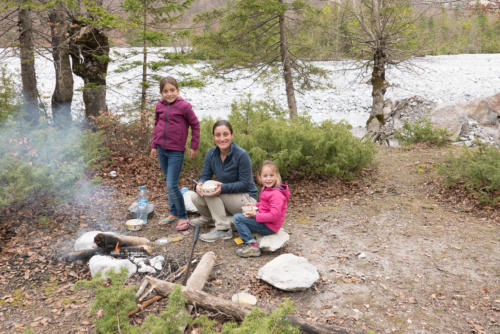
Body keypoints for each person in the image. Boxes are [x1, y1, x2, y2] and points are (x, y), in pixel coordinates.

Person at [191, 120, 258, 242]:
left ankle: (223, 229)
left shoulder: (241, 155)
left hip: (247, 199)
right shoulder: (211, 154)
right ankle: (209, 218)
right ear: (214, 137)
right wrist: (199, 185)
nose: (222, 139)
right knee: (195, 197)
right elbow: (204, 176)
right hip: (229, 198)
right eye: (218, 135)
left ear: (232, 135)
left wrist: (221, 188)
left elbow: (245, 184)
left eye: (225, 134)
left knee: (211, 192)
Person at [150, 76, 200, 231]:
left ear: (178, 90)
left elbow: (195, 125)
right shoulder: (159, 105)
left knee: (172, 184)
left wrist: (194, 145)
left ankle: (183, 216)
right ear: (161, 93)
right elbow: (157, 125)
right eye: (165, 91)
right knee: (169, 182)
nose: (169, 94)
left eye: (172, 90)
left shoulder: (184, 106)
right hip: (161, 149)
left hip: (176, 151)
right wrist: (154, 145)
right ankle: (173, 212)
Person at [233, 160, 290, 257]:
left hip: (270, 226)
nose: (268, 179)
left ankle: (252, 245)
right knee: (242, 215)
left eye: (271, 175)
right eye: (265, 176)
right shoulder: (267, 189)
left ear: (277, 176)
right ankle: (252, 234)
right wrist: (255, 206)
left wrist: (256, 214)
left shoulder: (276, 194)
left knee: (238, 218)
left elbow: (274, 215)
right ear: (260, 177)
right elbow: (265, 205)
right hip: (266, 221)